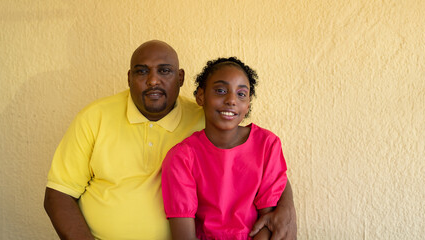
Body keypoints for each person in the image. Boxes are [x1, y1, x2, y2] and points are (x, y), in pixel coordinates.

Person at [44, 40, 297, 240]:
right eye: (142, 72)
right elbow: (58, 194)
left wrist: (287, 208)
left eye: (164, 71)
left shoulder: (208, 117)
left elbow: (261, 161)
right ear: (129, 77)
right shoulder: (94, 118)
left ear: (181, 78)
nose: (153, 80)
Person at [161, 57, 287, 240]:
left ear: (248, 104)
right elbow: (184, 235)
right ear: (201, 96)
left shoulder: (267, 145)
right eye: (221, 91)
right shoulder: (182, 157)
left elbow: (268, 220)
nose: (231, 100)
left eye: (241, 94)